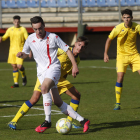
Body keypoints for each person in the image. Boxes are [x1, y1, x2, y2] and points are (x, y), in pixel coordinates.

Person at [15, 16, 90, 133]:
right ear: (32, 28)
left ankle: (47, 121)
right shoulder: (30, 39)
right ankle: (83, 120)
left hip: (53, 68)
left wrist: (75, 65)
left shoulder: (53, 37)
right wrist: (21, 55)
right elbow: (26, 53)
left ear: (44, 25)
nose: (38, 31)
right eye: (35, 29)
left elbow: (67, 50)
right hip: (41, 72)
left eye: (40, 28)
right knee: (57, 101)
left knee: (44, 88)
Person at [104, 9, 140, 110]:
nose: (126, 19)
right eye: (124, 17)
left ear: (132, 18)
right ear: (122, 18)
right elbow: (109, 40)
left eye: (128, 17)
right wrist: (105, 53)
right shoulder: (118, 28)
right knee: (120, 77)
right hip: (121, 56)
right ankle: (118, 103)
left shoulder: (137, 26)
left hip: (134, 55)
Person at [0, 15, 28, 88]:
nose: (16, 23)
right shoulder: (10, 29)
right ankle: (16, 83)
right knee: (14, 66)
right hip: (12, 51)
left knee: (19, 66)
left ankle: (23, 76)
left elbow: (27, 39)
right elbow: (5, 37)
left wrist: (29, 49)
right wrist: (1, 38)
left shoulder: (23, 29)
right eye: (15, 22)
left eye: (18, 22)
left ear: (20, 22)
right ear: (13, 22)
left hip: (20, 51)